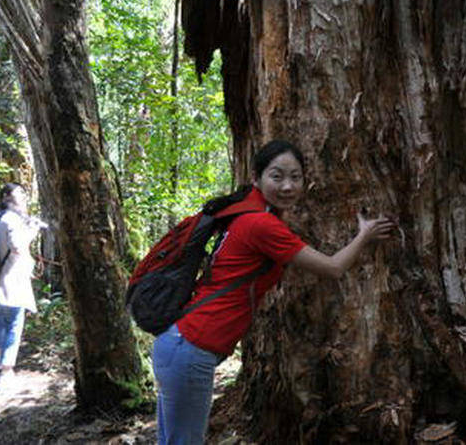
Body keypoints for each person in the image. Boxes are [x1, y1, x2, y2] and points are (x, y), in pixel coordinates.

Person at [152, 140, 396, 444]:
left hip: (180, 344)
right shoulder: (261, 225)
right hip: (189, 347)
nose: (288, 186)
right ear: (256, 178)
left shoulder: (245, 213)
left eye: (296, 177)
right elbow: (333, 267)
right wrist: (365, 234)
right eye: (277, 176)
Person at [0, 183, 47, 389]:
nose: (24, 196)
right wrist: (33, 230)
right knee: (13, 324)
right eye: (19, 193)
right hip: (11, 281)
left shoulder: (6, 218)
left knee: (3, 323)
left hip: (7, 279)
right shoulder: (9, 220)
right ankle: (7, 369)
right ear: (7, 197)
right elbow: (17, 246)